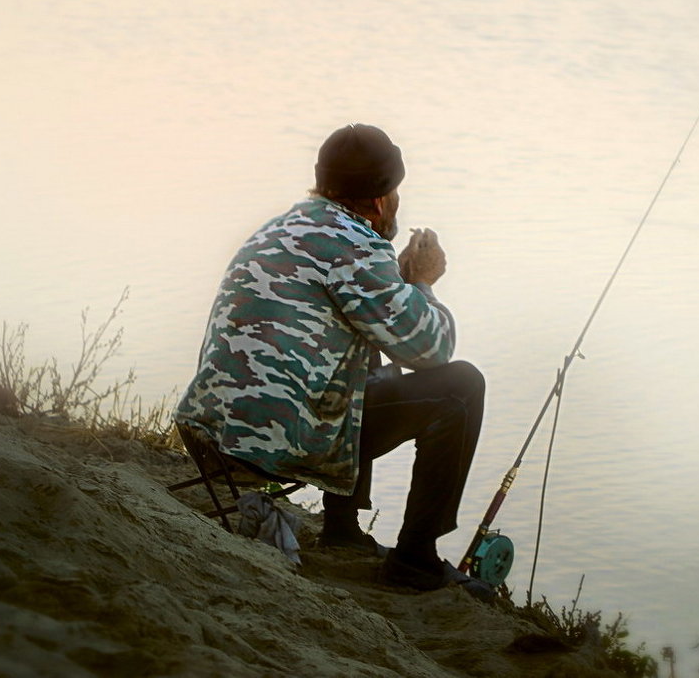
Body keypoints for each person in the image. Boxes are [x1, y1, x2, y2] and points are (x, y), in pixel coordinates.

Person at [174, 123, 486, 594]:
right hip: (270, 445)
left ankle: (342, 530)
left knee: (365, 345)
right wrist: (421, 283)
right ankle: (416, 561)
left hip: (210, 430)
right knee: (461, 387)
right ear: (382, 201)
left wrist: (394, 289)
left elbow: (354, 310)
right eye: (397, 191)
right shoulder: (357, 246)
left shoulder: (285, 225)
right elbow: (432, 349)